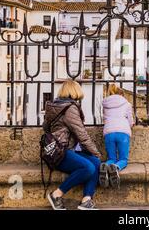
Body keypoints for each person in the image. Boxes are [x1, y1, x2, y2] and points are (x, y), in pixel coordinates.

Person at [44, 80, 102, 210]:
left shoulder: (53, 106)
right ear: (75, 91)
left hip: (58, 150)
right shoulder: (70, 108)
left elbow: (45, 127)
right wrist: (97, 153)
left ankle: (86, 200)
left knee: (96, 163)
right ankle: (56, 195)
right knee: (89, 167)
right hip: (61, 153)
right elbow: (83, 136)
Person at [99, 84, 134, 189]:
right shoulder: (127, 104)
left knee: (111, 158)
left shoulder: (105, 104)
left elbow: (104, 119)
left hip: (109, 132)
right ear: (122, 94)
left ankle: (106, 165)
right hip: (122, 132)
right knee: (123, 159)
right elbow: (131, 121)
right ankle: (116, 167)